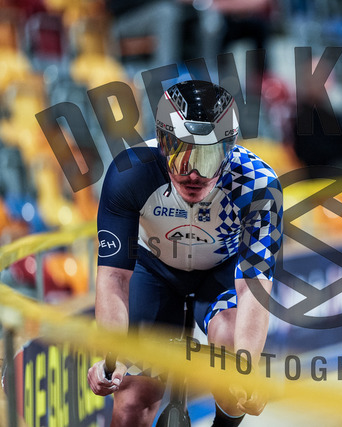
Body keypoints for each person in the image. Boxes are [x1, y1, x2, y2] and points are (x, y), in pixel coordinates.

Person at [86, 80, 283, 426]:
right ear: (162, 143)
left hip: (220, 273)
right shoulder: (130, 173)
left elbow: (254, 287)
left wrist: (247, 370)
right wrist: (111, 359)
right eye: (179, 154)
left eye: (208, 157)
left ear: (229, 149)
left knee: (233, 358)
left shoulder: (258, 186)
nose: (193, 174)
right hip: (153, 271)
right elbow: (114, 276)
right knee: (132, 401)